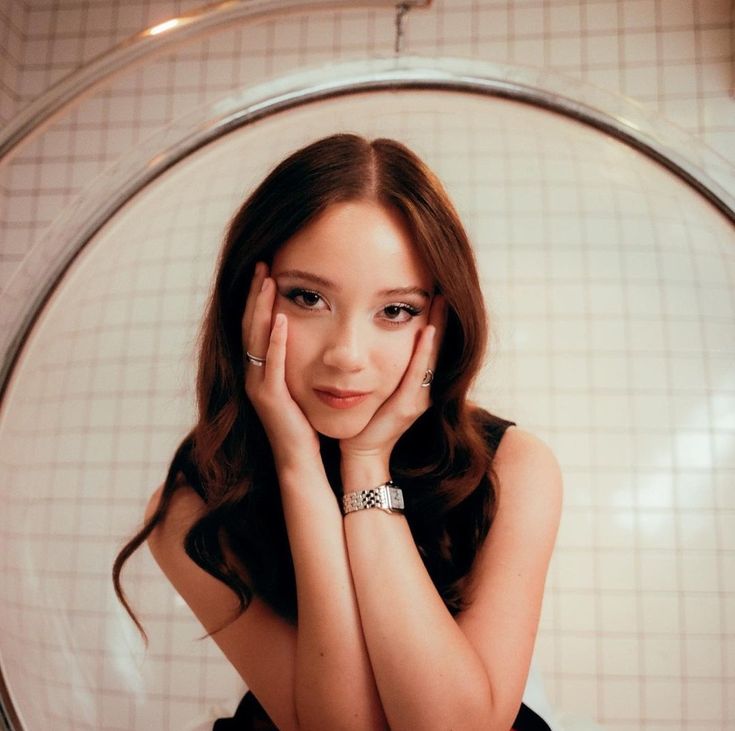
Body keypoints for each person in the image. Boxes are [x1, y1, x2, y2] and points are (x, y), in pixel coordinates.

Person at [113, 133, 563, 731]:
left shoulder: (513, 467)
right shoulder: (195, 509)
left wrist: (367, 463)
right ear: (248, 302)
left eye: (395, 310)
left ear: (441, 321)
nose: (347, 355)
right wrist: (299, 469)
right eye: (308, 298)